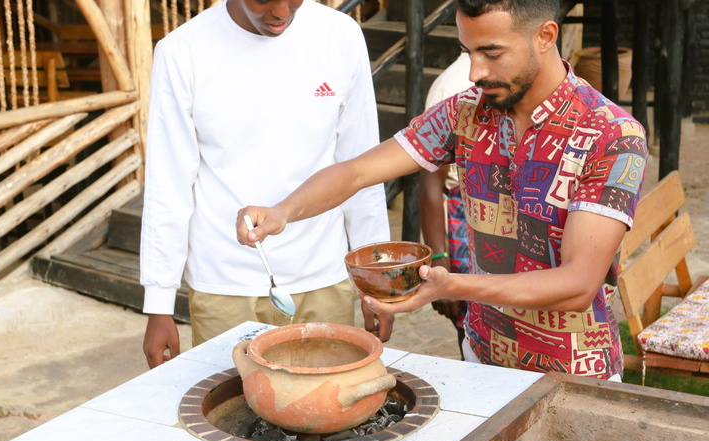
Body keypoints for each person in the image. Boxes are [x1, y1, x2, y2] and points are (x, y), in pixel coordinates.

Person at [237, 0, 648, 381]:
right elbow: (358, 171)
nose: (475, 72)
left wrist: (452, 284)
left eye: (491, 53)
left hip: (576, 372)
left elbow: (577, 285)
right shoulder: (466, 110)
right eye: (468, 52)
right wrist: (284, 211)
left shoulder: (612, 135)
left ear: (545, 36)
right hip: (481, 357)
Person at [140, 0, 394, 369]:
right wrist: (159, 304)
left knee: (326, 406)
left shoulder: (340, 36)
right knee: (230, 411)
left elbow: (361, 169)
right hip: (224, 284)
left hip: (323, 275)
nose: (280, 11)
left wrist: (376, 282)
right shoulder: (182, 50)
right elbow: (169, 184)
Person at [420, 53, 473, 358]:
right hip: (464, 221)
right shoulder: (450, 88)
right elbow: (430, 181)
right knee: (470, 328)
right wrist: (439, 259)